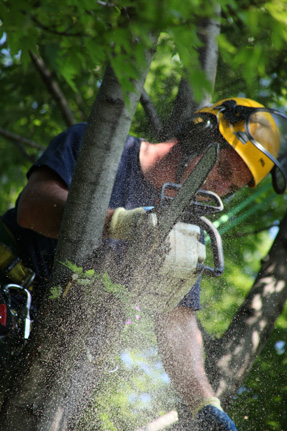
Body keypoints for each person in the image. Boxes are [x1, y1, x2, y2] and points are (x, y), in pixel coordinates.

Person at [0, 97, 286, 430]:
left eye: (231, 187)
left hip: (57, 372)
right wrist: (119, 223)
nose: (220, 188)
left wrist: (204, 403)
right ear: (198, 137)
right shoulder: (100, 150)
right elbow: (33, 207)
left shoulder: (185, 231)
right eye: (222, 169)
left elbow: (176, 320)